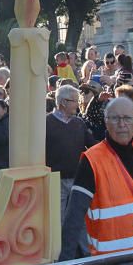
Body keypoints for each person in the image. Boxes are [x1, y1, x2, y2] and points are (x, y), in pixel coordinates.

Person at [58, 97, 133, 259]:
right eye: (115, 118)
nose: (122, 124)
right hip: (116, 264)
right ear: (106, 122)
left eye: (127, 118)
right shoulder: (92, 160)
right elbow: (73, 218)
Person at [46, 85, 95, 213]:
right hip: (55, 181)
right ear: (63, 102)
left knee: (79, 217)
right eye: (75, 101)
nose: (78, 105)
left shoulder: (79, 123)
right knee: (57, 219)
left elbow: (93, 145)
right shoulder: (46, 123)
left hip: (76, 178)